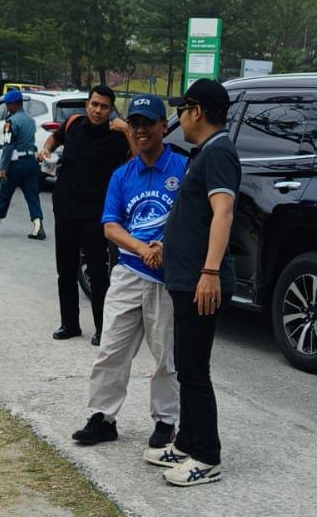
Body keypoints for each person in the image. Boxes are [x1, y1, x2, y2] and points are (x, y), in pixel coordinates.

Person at [71, 94, 185, 451]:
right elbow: (110, 225)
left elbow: (194, 218)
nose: (140, 130)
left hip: (166, 280)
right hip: (129, 272)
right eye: (134, 124)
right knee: (111, 350)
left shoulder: (182, 169)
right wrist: (140, 248)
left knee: (165, 355)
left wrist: (166, 247)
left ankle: (166, 422)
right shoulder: (123, 174)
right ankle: (102, 418)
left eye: (148, 123)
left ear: (163, 127)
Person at [143, 79, 239, 487]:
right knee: (185, 366)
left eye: (182, 109)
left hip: (202, 280)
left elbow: (224, 213)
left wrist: (210, 271)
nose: (178, 116)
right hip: (184, 277)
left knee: (195, 370)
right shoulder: (204, 153)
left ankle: (207, 456)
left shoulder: (219, 153)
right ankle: (185, 443)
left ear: (196, 111)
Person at [37, 84, 135, 346]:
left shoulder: (117, 136)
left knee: (98, 273)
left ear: (111, 109)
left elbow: (138, 161)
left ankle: (103, 329)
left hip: (96, 214)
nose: (98, 110)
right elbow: (53, 140)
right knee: (65, 271)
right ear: (87, 104)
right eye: (94, 104)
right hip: (65, 208)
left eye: (104, 106)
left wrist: (126, 129)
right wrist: (45, 150)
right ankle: (69, 323)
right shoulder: (72, 124)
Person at [0, 89, 46, 240]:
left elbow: (8, 146)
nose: (7, 108)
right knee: (32, 196)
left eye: (8, 104)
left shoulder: (11, 122)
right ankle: (38, 226)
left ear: (14, 104)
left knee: (4, 195)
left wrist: (3, 166)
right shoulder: (30, 120)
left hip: (16, 163)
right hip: (31, 162)